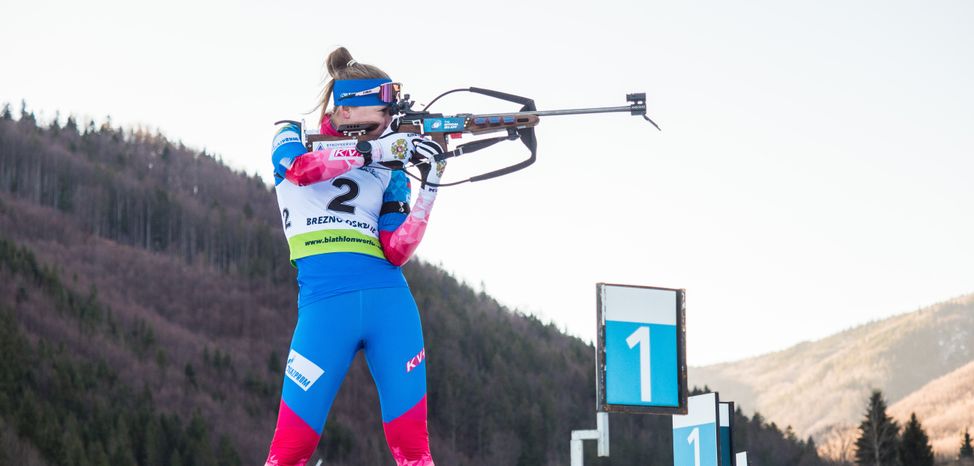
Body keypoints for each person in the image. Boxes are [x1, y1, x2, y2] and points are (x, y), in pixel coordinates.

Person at [264, 47, 444, 466]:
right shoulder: (292, 133)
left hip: (390, 304)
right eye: (383, 113)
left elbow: (397, 249)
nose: (389, 123)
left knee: (413, 450)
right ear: (345, 110)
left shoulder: (390, 168)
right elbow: (299, 169)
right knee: (290, 450)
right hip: (325, 308)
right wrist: (375, 152)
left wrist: (431, 186)